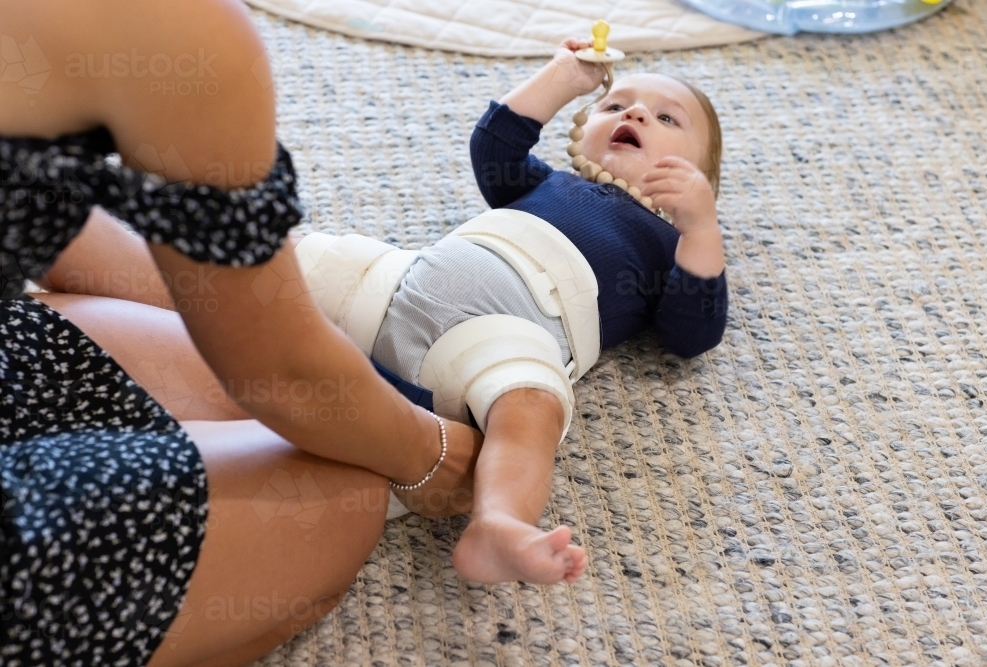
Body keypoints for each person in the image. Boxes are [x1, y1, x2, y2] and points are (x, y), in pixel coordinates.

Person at [28, 38, 729, 590]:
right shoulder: (549, 183)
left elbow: (691, 331)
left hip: (506, 334)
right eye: (618, 105)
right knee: (279, 263)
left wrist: (700, 229)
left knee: (532, 408)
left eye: (667, 119)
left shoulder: (668, 241)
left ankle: (499, 521)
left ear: (702, 178)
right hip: (396, 281)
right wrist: (561, 78)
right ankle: (113, 274)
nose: (633, 114)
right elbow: (496, 149)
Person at [0, 2, 481, 666]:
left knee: (247, 396)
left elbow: (58, 232)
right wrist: (435, 456)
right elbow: (283, 376)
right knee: (340, 494)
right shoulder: (167, 31)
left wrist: (256, 309)